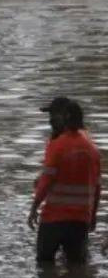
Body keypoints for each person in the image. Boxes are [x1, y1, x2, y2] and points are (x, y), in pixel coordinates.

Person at [28, 98, 101, 266]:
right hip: (80, 220)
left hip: (54, 218)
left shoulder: (58, 145)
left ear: (64, 117)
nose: (50, 120)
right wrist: (93, 215)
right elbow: (96, 186)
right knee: (77, 267)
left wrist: (34, 207)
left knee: (44, 266)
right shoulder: (91, 146)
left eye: (53, 115)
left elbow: (47, 180)